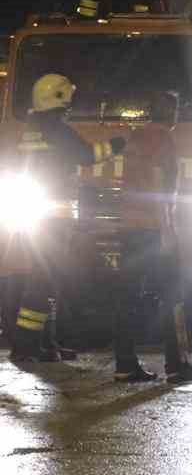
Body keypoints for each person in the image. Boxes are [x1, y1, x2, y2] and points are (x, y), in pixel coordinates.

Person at [8, 74, 122, 365]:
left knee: (46, 279)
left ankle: (45, 343)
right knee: (43, 281)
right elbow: (86, 155)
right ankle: (26, 345)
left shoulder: (32, 129)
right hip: (53, 219)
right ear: (58, 100)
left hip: (38, 217)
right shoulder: (56, 130)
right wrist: (116, 145)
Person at [116, 90, 192, 383]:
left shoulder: (135, 137)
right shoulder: (163, 140)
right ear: (174, 114)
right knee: (173, 296)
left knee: (127, 297)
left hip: (129, 227)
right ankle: (177, 365)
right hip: (153, 229)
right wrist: (167, 230)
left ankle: (125, 364)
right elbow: (158, 184)